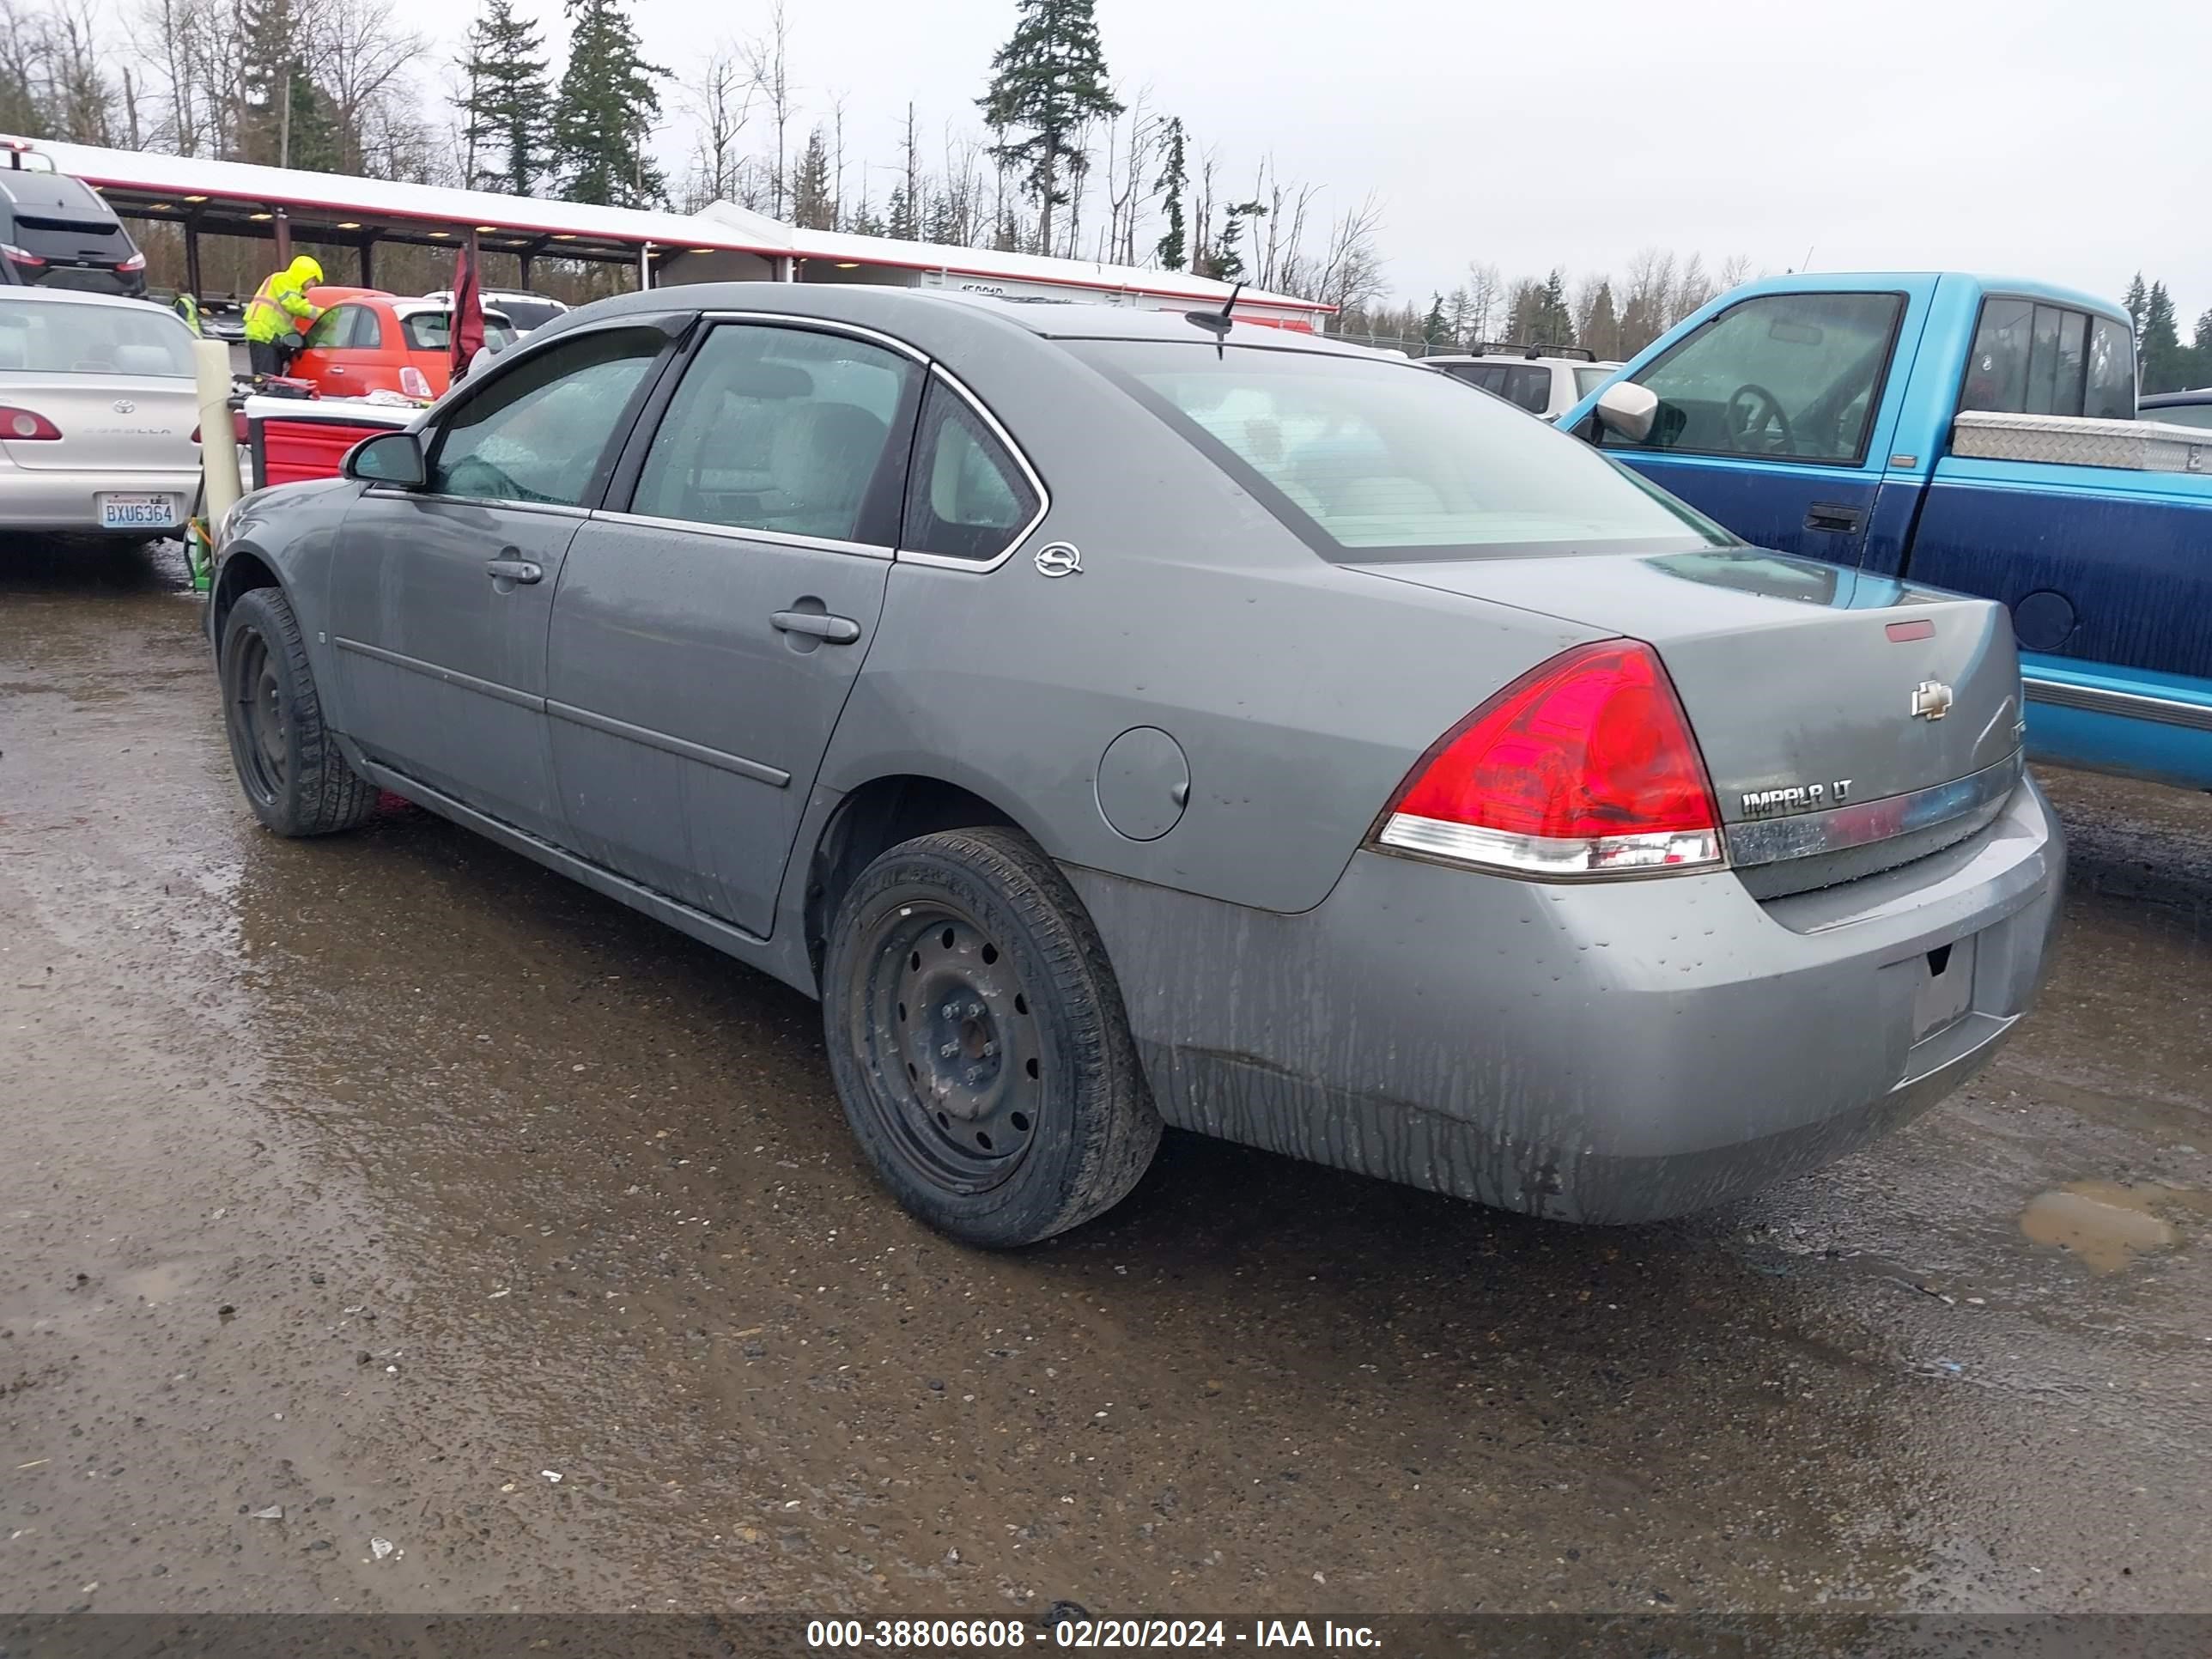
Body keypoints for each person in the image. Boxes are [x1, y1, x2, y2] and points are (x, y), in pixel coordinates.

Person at [242, 255, 324, 377]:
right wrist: (323, 314)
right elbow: (294, 305)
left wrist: (296, 333)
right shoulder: (283, 280)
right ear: (303, 275)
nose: (313, 285)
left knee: (271, 380)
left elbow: (285, 319)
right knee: (267, 380)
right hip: (263, 333)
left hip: (269, 334)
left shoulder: (290, 287)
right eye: (312, 280)